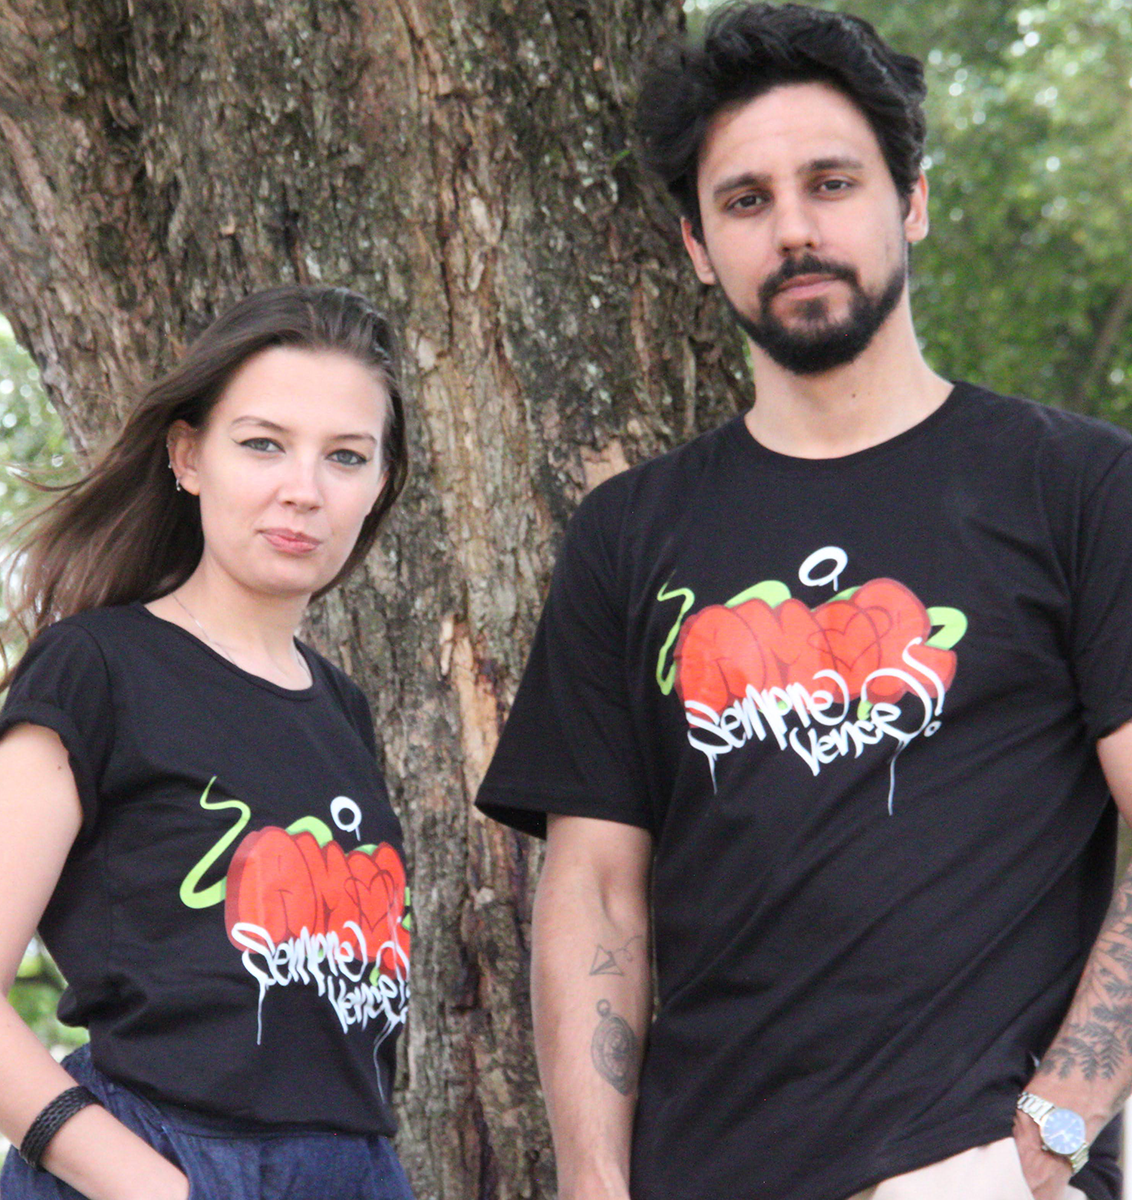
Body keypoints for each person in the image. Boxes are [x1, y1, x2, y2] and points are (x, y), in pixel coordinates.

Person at [474, 5, 1132, 1200]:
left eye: (832, 183)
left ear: (912, 200)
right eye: (745, 200)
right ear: (696, 246)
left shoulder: (1079, 487)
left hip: (975, 1169)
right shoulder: (630, 533)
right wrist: (594, 1186)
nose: (793, 229)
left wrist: (1054, 1135)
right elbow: (598, 890)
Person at [0, 285, 415, 1200]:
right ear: (189, 456)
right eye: (263, 444)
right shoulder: (95, 667)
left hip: (353, 1167)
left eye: (346, 456)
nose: (303, 489)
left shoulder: (342, 709)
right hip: (159, 1158)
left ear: (378, 486)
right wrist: (162, 1190)